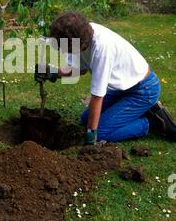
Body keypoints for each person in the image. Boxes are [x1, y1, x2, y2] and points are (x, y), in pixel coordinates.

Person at [35, 12, 176, 144]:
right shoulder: (80, 33)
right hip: (123, 89)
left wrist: (91, 135)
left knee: (100, 133)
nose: (64, 52)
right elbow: (80, 69)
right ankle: (135, 112)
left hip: (143, 90)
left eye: (67, 49)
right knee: (85, 119)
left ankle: (151, 122)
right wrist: (53, 73)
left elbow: (97, 95)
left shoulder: (102, 49)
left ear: (80, 44)